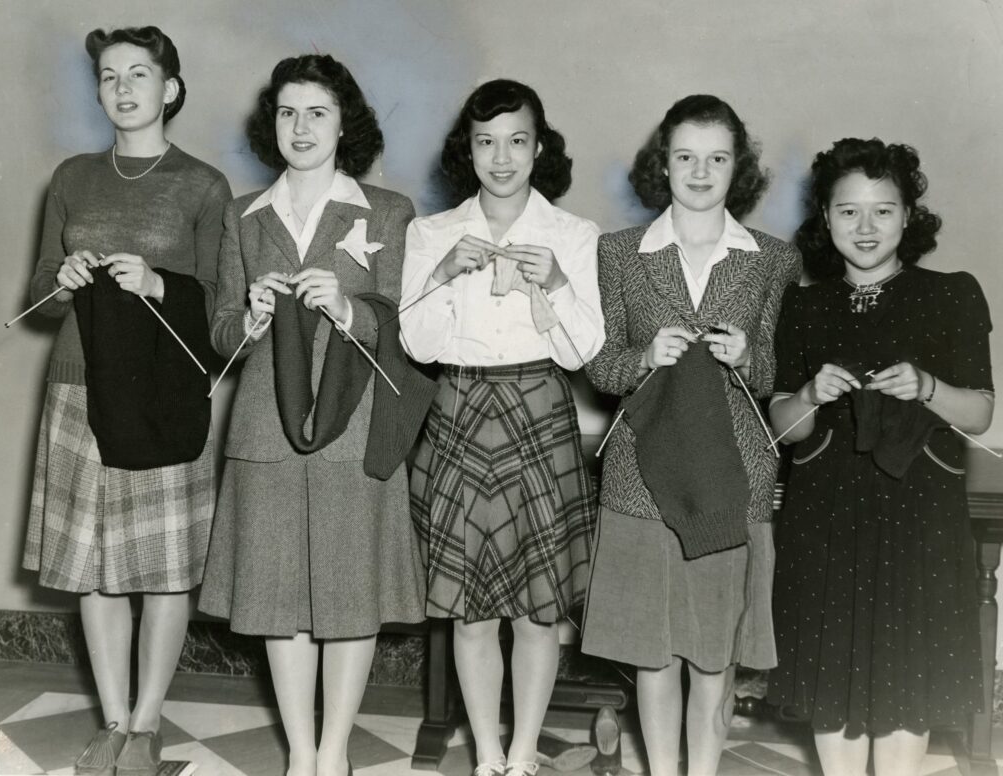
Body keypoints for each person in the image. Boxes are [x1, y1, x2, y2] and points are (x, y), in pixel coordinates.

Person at [197, 54, 427, 776]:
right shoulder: (243, 215)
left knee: (348, 594)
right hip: (265, 427)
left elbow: (410, 329)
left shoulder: (388, 212)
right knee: (276, 596)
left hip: (353, 428)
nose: (300, 127)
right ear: (273, 124)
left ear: (343, 123)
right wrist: (252, 318)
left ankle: (334, 754)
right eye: (288, 112)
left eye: (317, 112)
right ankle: (300, 752)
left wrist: (353, 308)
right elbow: (221, 333)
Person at [22, 25, 231, 776]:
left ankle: (146, 726)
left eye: (139, 74)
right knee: (93, 567)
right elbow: (41, 302)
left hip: (159, 396)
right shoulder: (73, 178)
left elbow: (220, 312)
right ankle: (112, 719)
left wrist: (159, 285)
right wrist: (64, 277)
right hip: (78, 389)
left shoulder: (204, 185)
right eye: (109, 76)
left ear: (170, 89)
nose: (123, 88)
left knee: (163, 567)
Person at [580, 95, 801, 776]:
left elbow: (774, 372)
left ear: (739, 168)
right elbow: (601, 364)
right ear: (663, 164)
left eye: (717, 158)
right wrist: (645, 357)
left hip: (732, 480)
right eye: (685, 157)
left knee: (714, 656)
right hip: (641, 478)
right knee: (652, 652)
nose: (700, 172)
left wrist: (746, 357)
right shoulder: (619, 252)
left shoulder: (771, 258)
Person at [767, 138, 994, 776]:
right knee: (832, 676)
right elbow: (784, 431)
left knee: (908, 679)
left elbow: (979, 413)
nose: (865, 228)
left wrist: (927, 388)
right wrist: (810, 393)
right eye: (848, 212)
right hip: (827, 516)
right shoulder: (802, 306)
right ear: (825, 219)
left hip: (919, 515)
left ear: (908, 217)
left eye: (883, 211)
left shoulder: (953, 294)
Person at [400, 79, 604, 776]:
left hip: (539, 411)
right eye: (486, 143)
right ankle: (486, 752)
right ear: (469, 151)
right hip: (457, 411)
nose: (502, 158)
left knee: (538, 611)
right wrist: (437, 273)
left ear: (538, 148)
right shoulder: (430, 232)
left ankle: (522, 754)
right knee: (470, 609)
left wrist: (556, 285)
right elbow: (417, 346)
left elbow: (584, 354)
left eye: (517, 141)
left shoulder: (574, 236)